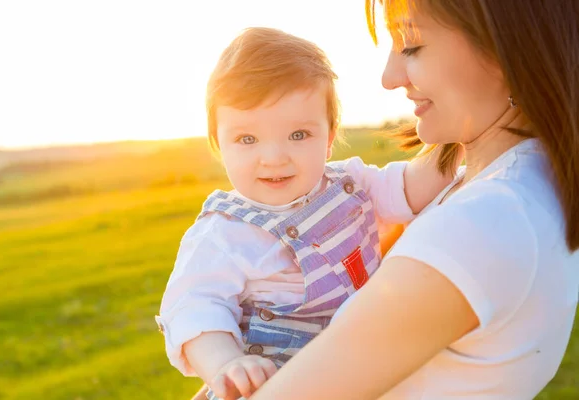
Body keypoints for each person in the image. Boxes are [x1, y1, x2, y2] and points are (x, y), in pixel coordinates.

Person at [248, 0, 579, 399]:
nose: (389, 78)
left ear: (506, 47)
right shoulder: (507, 187)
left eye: (412, 45)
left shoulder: (486, 221)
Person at [155, 27, 459, 400]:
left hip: (357, 372)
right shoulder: (223, 233)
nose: (274, 157)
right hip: (276, 385)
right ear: (219, 145)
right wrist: (226, 365)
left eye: (298, 134)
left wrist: (463, 139)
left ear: (330, 137)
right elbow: (194, 309)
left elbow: (412, 187)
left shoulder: (350, 184)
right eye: (247, 139)